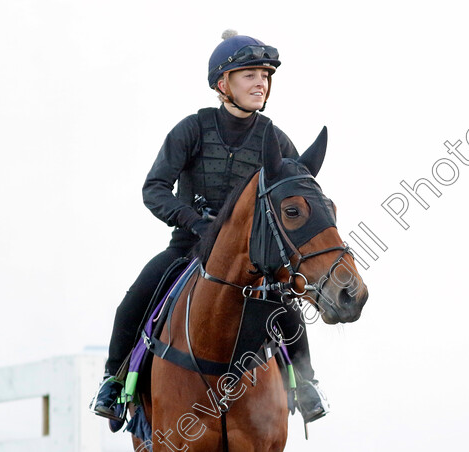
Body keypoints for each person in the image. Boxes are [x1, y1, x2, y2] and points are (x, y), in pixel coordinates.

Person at [91, 30, 329, 426]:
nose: (260, 83)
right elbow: (154, 189)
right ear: (223, 84)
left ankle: (305, 384)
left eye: (265, 76)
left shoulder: (277, 140)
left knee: (286, 306)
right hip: (190, 246)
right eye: (249, 75)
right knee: (134, 299)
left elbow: (295, 198)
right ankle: (114, 383)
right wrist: (194, 221)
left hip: (252, 257)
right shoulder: (191, 129)